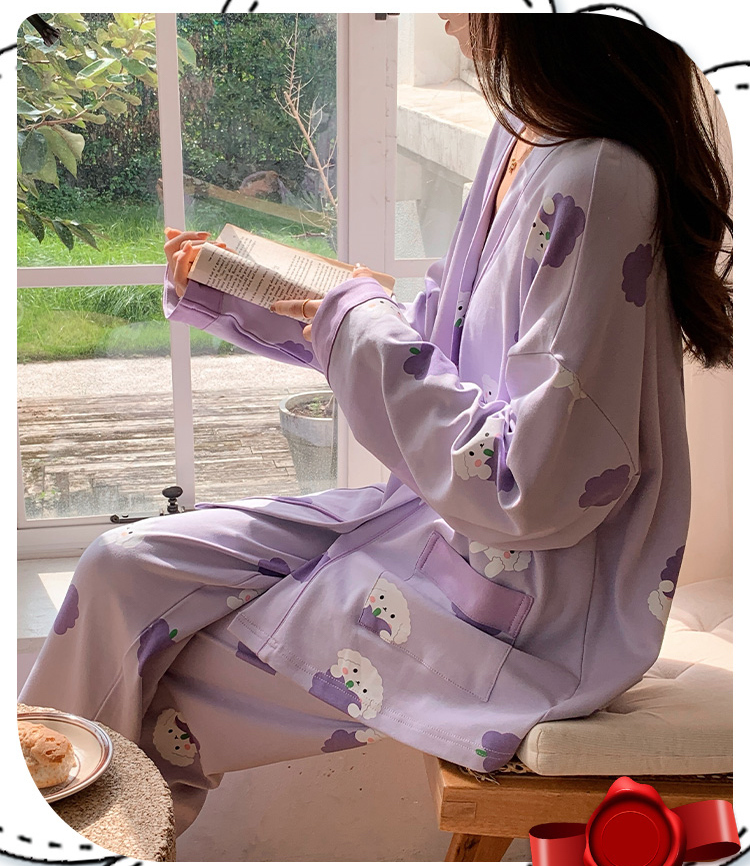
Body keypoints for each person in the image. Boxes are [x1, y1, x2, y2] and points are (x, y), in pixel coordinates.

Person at [20, 12, 732, 837]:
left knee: (157, 690)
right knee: (120, 563)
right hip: (427, 520)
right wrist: (264, 293)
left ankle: (56, 832)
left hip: (525, 600)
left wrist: (354, 315)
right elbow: (439, 346)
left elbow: (533, 487)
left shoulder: (599, 177)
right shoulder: (522, 135)